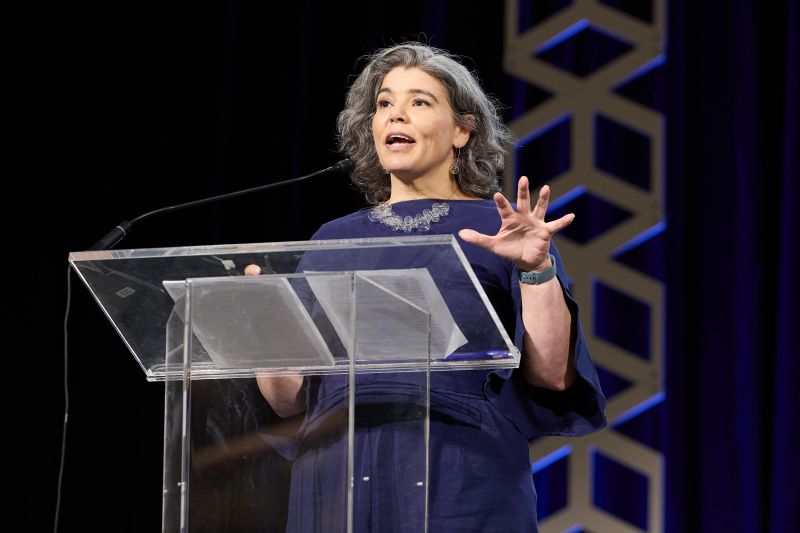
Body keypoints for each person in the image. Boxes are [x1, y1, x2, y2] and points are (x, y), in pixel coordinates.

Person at [253, 42, 607, 532]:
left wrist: (536, 270)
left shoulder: (502, 229)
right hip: (336, 475)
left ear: (463, 130)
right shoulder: (333, 238)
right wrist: (266, 322)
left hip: (460, 471)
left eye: (419, 101)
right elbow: (292, 400)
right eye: (383, 103)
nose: (395, 113)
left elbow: (551, 377)